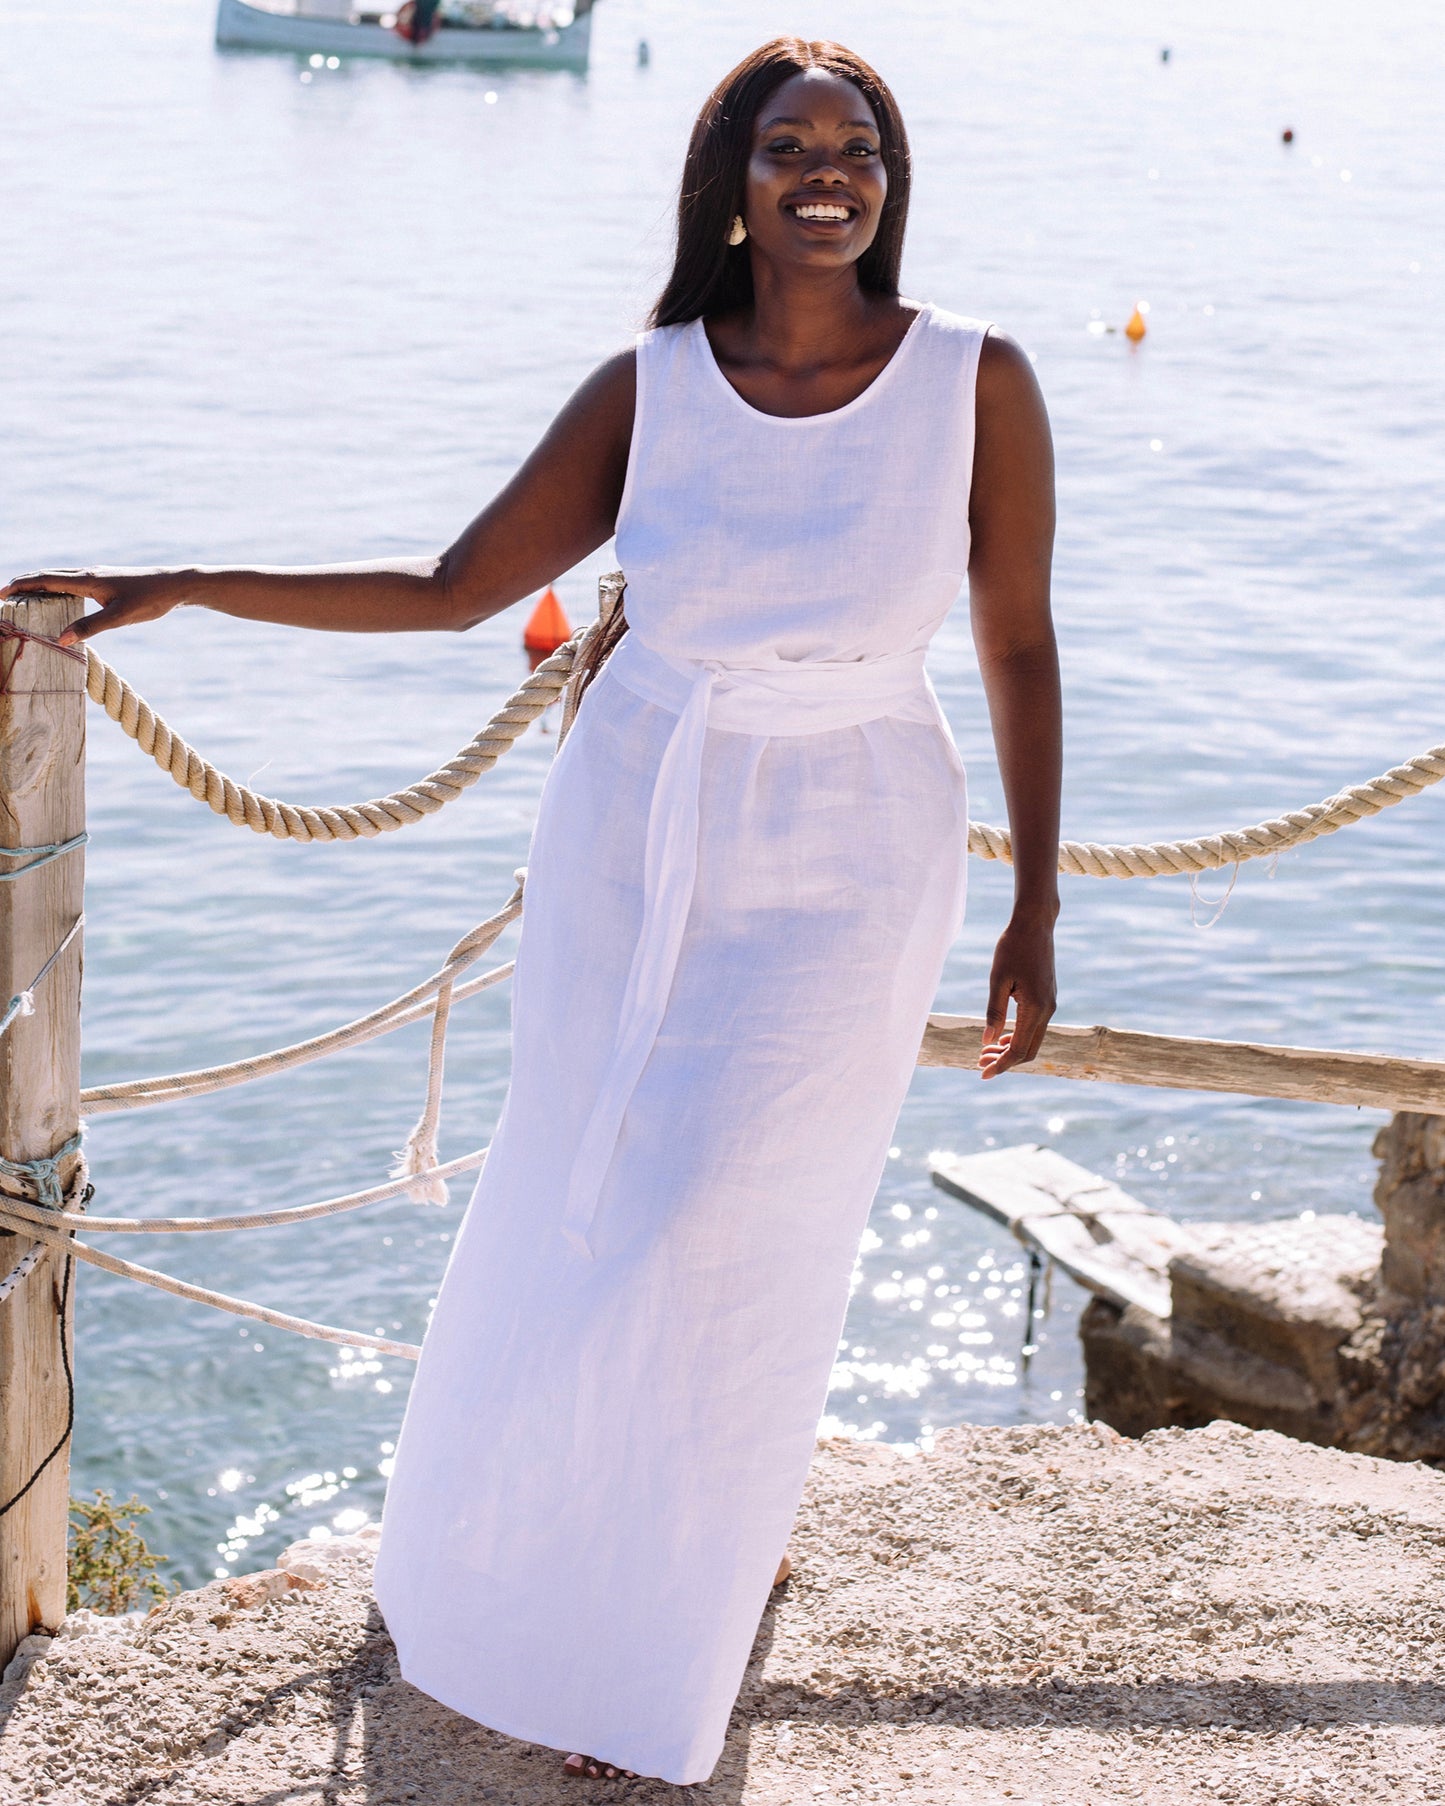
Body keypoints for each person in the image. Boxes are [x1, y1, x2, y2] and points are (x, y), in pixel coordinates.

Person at [3, 36, 1061, 1788]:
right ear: (728, 183)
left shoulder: (975, 378)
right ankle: (548, 1565)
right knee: (600, 1185)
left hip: (861, 831)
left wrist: (1029, 907)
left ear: (888, 180)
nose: (828, 171)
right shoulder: (653, 383)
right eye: (789, 142)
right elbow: (451, 590)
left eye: (857, 145)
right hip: (640, 820)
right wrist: (189, 580)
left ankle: (674, 1589)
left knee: (742, 1206)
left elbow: (1017, 638)